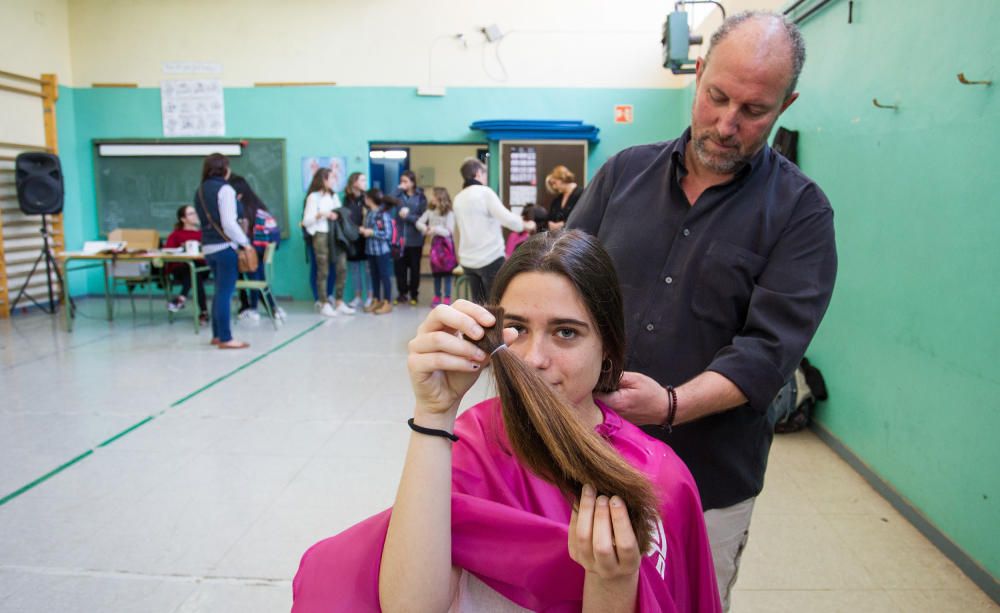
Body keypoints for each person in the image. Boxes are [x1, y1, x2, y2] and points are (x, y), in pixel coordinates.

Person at [291, 231, 721, 612]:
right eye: (516, 329)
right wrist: (434, 411)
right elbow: (411, 605)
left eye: (566, 332)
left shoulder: (657, 475)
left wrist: (612, 582)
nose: (534, 359)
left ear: (607, 344)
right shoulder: (469, 443)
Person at [567, 11, 837, 610]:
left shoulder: (801, 214)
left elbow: (767, 352)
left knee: (689, 600)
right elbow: (560, 281)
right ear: (697, 75)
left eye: (754, 110)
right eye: (716, 97)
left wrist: (668, 405)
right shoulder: (622, 176)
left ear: (785, 105)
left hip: (706, 480)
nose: (727, 123)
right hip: (587, 454)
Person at [451, 157, 534, 303]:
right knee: (496, 304)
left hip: (468, 261)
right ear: (478, 173)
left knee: (480, 305)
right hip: (490, 258)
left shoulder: (458, 199)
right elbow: (507, 219)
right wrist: (527, 225)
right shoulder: (484, 193)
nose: (485, 178)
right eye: (484, 174)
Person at [194, 153, 253, 350]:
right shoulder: (225, 189)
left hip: (208, 247)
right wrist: (245, 242)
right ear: (224, 169)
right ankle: (227, 338)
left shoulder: (200, 190)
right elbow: (228, 222)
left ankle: (217, 335)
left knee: (219, 292)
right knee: (225, 293)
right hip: (225, 246)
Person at [229, 174, 286, 322]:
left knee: (254, 278)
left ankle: (253, 309)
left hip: (251, 251)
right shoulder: (259, 208)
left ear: (238, 195)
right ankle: (273, 308)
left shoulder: (241, 211)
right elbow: (274, 234)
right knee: (259, 278)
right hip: (262, 250)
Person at [302, 168, 355, 317]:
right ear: (323, 180)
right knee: (323, 270)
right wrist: (321, 215)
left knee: (342, 267)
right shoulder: (313, 197)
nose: (334, 181)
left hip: (335, 235)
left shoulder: (334, 196)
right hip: (320, 235)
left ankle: (339, 301)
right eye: (331, 178)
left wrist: (336, 214)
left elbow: (340, 213)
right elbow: (306, 221)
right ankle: (324, 302)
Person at [163, 204, 208, 324]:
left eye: (195, 213)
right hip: (181, 270)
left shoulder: (203, 234)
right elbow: (168, 253)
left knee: (194, 270)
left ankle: (180, 299)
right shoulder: (176, 235)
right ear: (183, 219)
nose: (195, 216)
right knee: (192, 272)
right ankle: (204, 312)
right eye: (191, 214)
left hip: (202, 267)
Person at [415, 186, 457, 307]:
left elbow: (449, 232)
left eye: (434, 195)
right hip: (435, 247)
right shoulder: (430, 212)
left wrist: (435, 229)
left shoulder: (449, 213)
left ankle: (447, 297)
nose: (431, 198)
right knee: (437, 273)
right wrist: (426, 228)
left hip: (447, 247)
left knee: (447, 273)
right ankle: (437, 296)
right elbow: (419, 223)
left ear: (440, 197)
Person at [391, 170, 428, 305]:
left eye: (405, 181)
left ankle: (414, 294)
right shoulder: (398, 195)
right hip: (399, 239)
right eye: (401, 181)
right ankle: (402, 294)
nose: (403, 184)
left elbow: (424, 218)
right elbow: (388, 200)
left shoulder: (420, 197)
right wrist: (397, 189)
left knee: (414, 268)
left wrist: (408, 217)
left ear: (413, 182)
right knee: (399, 268)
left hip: (415, 240)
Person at [358, 188, 395, 315]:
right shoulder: (369, 213)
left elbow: (388, 234)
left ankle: (387, 302)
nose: (364, 200)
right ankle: (376, 300)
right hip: (371, 250)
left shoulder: (383, 214)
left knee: (385, 276)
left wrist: (372, 232)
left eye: (366, 198)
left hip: (382, 251)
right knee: (374, 276)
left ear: (370, 199)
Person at [343, 172, 372, 309]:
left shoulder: (367, 198)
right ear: (354, 182)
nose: (365, 182)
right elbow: (346, 219)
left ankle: (371, 297)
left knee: (368, 269)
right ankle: (358, 297)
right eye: (362, 180)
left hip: (366, 238)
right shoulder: (347, 199)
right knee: (354, 269)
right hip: (352, 238)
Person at [544, 165, 583, 232]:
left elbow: (583, 218)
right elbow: (550, 218)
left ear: (562, 178)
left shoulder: (582, 194)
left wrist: (564, 224)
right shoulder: (557, 199)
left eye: (554, 183)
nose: (554, 187)